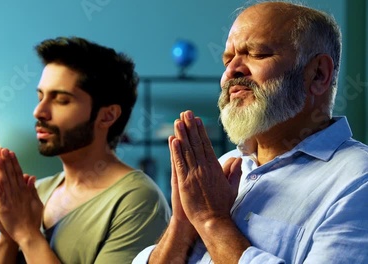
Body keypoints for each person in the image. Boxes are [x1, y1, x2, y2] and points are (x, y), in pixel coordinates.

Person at [133, 1, 368, 264]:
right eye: (227, 60)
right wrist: (182, 222)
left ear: (318, 74)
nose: (231, 72)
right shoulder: (219, 170)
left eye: (257, 54)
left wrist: (212, 221)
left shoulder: (358, 181)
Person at [0, 37, 171, 263]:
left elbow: (26, 234)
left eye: (61, 100)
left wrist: (27, 234)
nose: (39, 111)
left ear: (107, 116)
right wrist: (8, 235)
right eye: (40, 97)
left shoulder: (137, 201)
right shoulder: (35, 193)